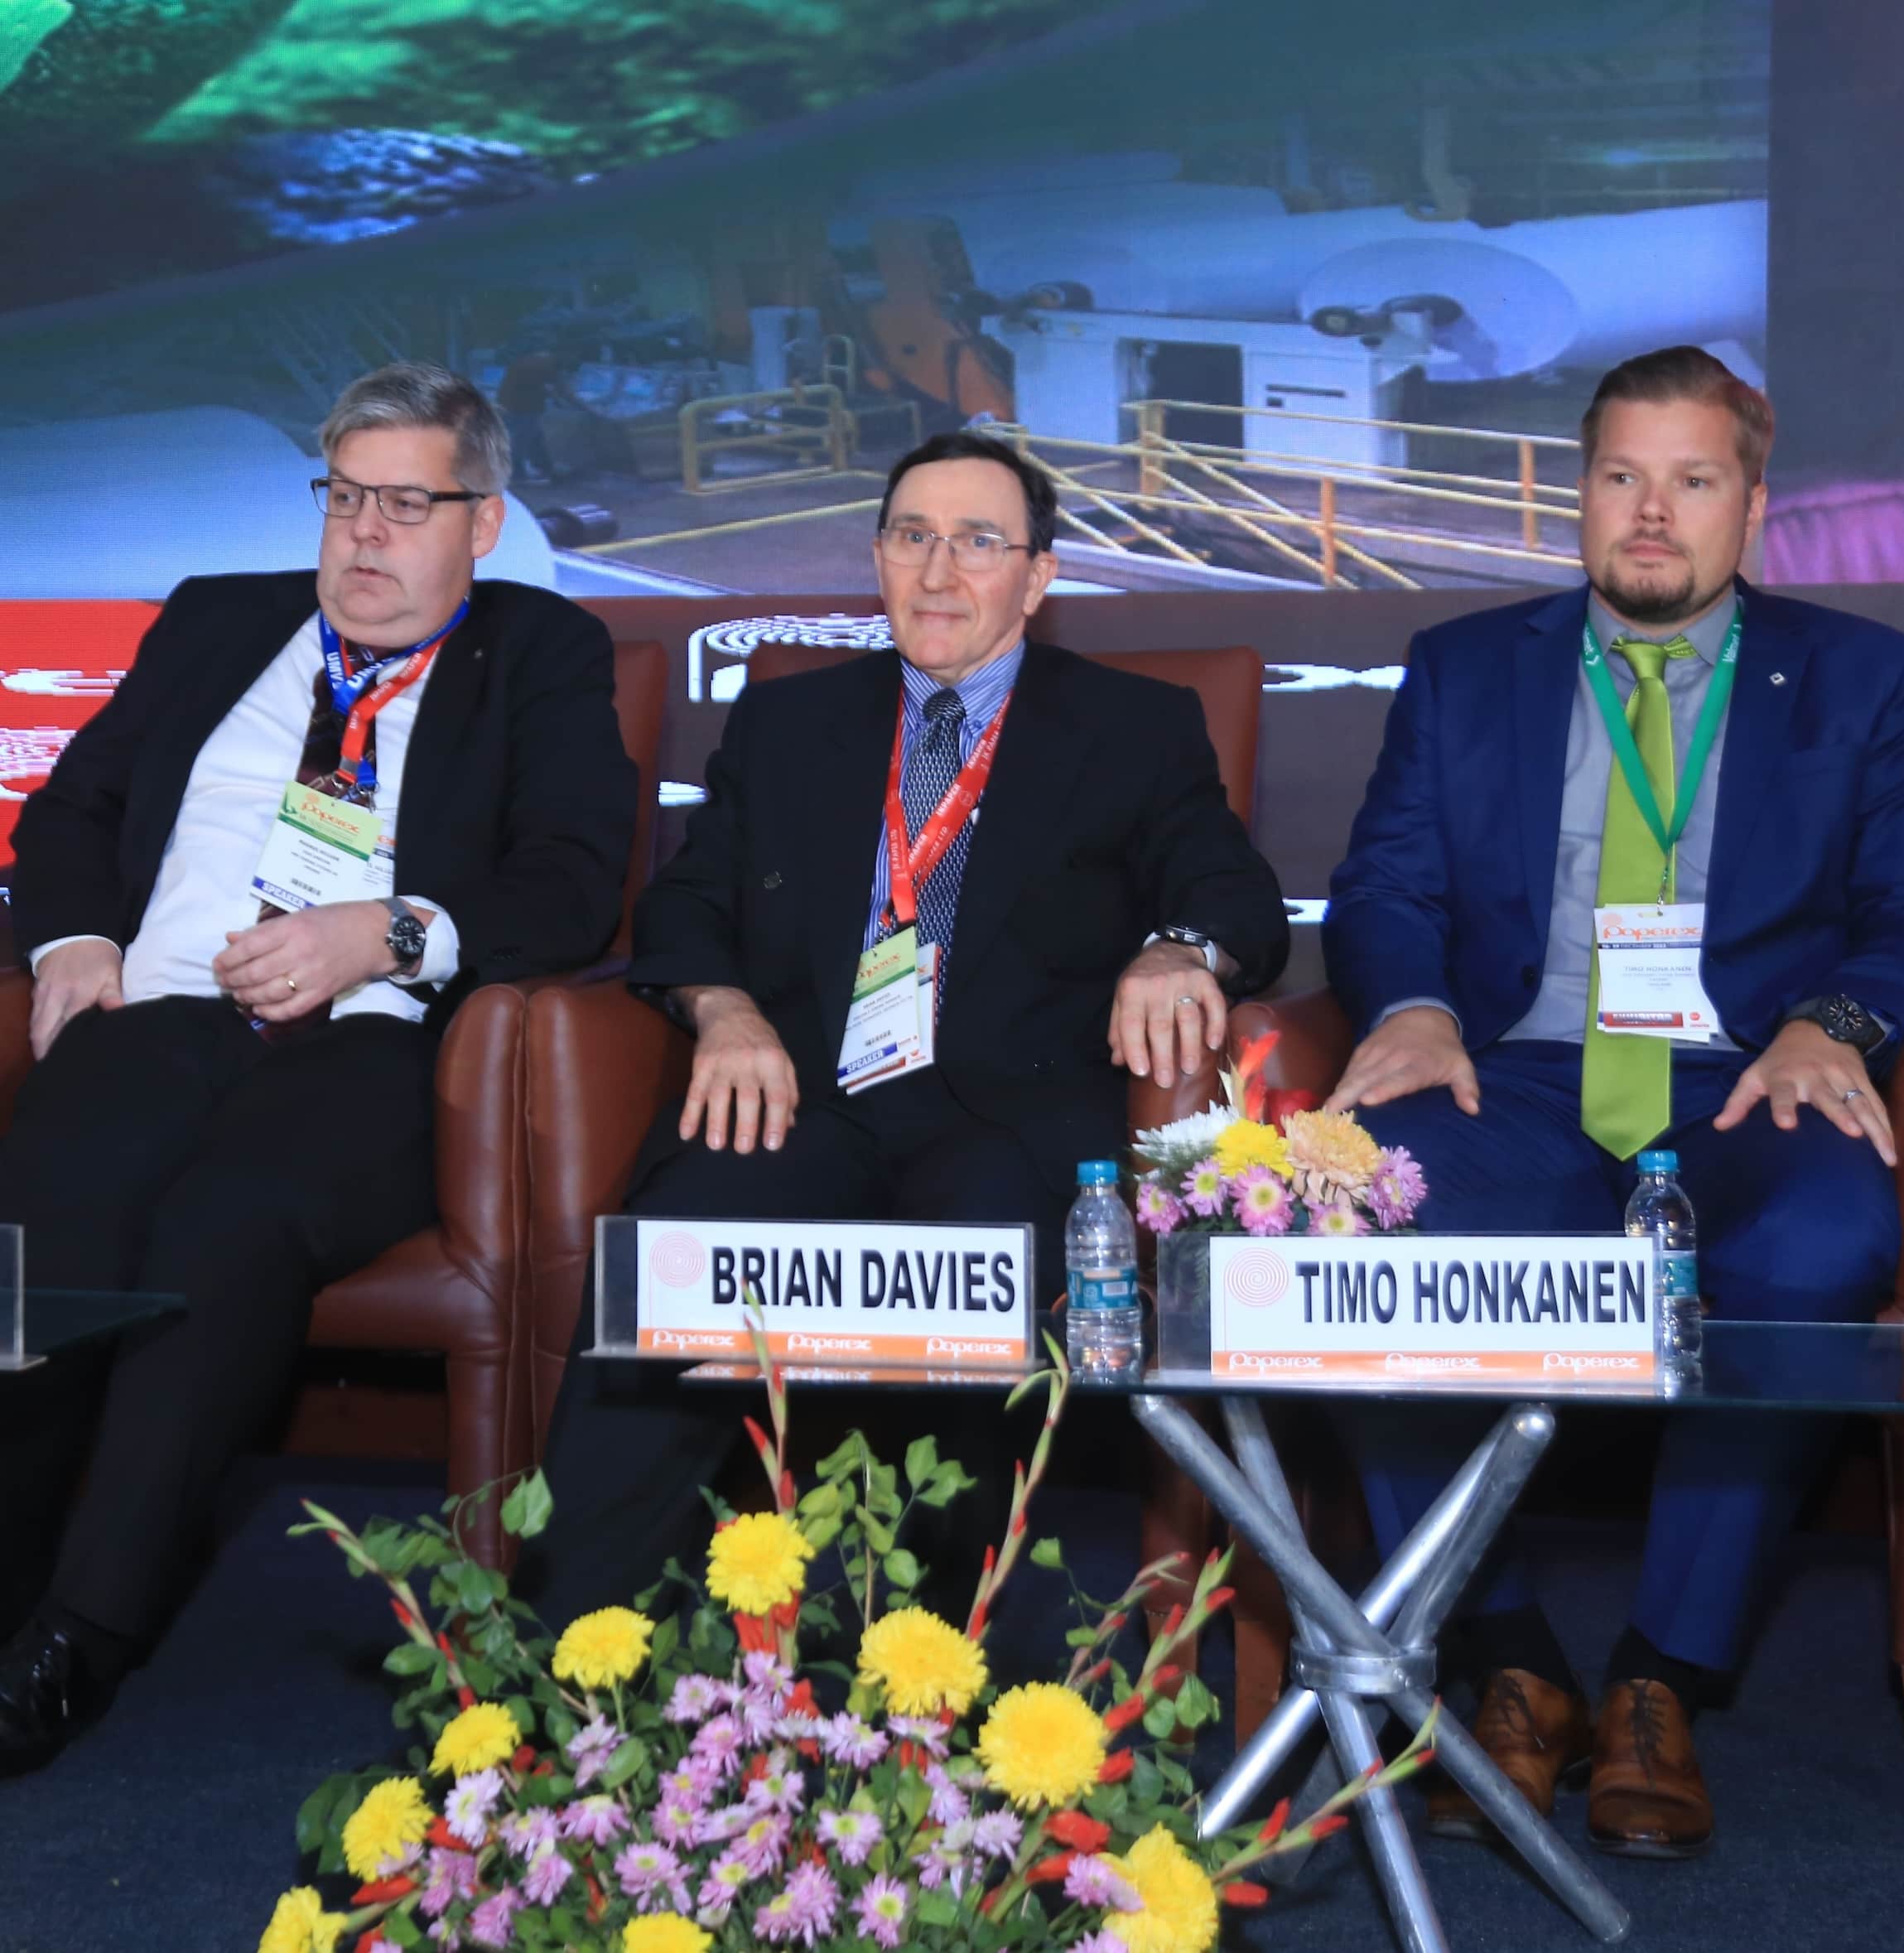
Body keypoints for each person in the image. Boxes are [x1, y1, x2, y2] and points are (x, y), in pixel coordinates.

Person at [1322, 346, 1904, 1857]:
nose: (1654, 513)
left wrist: (1835, 1022)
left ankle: (1661, 1677)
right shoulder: (1464, 664)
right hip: (1520, 1075)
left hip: (1748, 1078)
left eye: (1693, 479)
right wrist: (1414, 1003)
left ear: (1754, 500)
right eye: (1624, 475)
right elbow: (1386, 885)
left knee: (1819, 1247)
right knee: (1349, 1222)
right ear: (1583, 493)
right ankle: (1514, 1656)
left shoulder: (1863, 676)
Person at [528, 429, 1289, 1618]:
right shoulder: (791, 723)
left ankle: (938, 1684)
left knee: (968, 1272)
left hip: (1008, 1119)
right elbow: (686, 897)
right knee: (677, 1249)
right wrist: (720, 1006)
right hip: (806, 1100)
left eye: (979, 542)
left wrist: (1175, 948)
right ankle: (560, 1667)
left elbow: (1235, 893)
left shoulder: (1135, 726)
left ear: (1036, 578)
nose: (940, 572)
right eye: (912, 537)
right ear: (878, 560)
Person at [0, 361, 636, 1775]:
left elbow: (575, 880)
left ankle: (81, 1631)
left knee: (226, 1221)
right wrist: (73, 938)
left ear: (484, 521)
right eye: (346, 497)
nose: (364, 535)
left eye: (407, 504)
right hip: (162, 1010)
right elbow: (73, 810)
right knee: (44, 1217)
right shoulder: (218, 621)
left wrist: (388, 932)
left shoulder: (541, 651)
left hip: (373, 1043)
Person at [498, 342, 568, 485]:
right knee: (523, 438)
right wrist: (584, 407)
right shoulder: (546, 365)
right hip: (522, 407)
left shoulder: (531, 361)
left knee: (534, 436)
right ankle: (517, 473)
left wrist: (557, 399)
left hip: (511, 404)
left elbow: (538, 386)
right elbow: (561, 388)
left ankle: (543, 466)